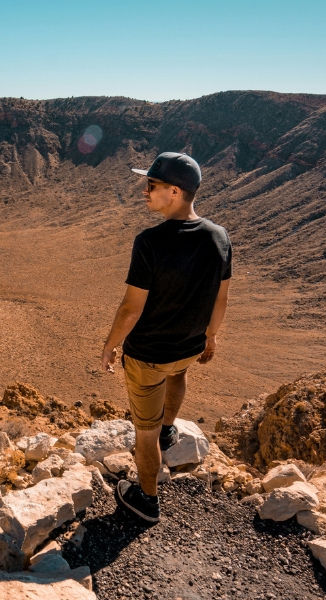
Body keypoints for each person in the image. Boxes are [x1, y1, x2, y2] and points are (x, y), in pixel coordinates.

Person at [100, 151, 231, 523]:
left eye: (152, 185)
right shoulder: (219, 237)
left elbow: (131, 308)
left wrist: (110, 345)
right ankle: (169, 431)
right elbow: (222, 297)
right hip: (189, 347)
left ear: (174, 191)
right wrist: (211, 337)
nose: (145, 191)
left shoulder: (150, 242)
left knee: (144, 431)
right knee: (178, 374)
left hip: (147, 354)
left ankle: (147, 499)